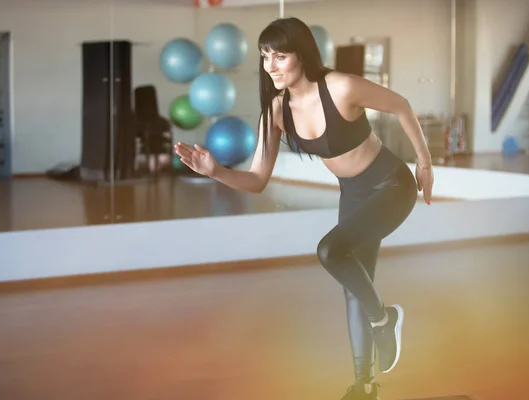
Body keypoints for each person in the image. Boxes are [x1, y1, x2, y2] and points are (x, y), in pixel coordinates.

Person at [175, 17, 434, 400]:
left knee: (330, 250)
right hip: (355, 193)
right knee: (352, 287)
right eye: (265, 57)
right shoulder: (276, 111)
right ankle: (364, 386)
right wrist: (216, 172)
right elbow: (257, 179)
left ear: (303, 55)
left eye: (281, 56)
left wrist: (424, 163)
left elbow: (401, 106)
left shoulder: (341, 87)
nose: (271, 66)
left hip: (392, 185)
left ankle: (385, 319)